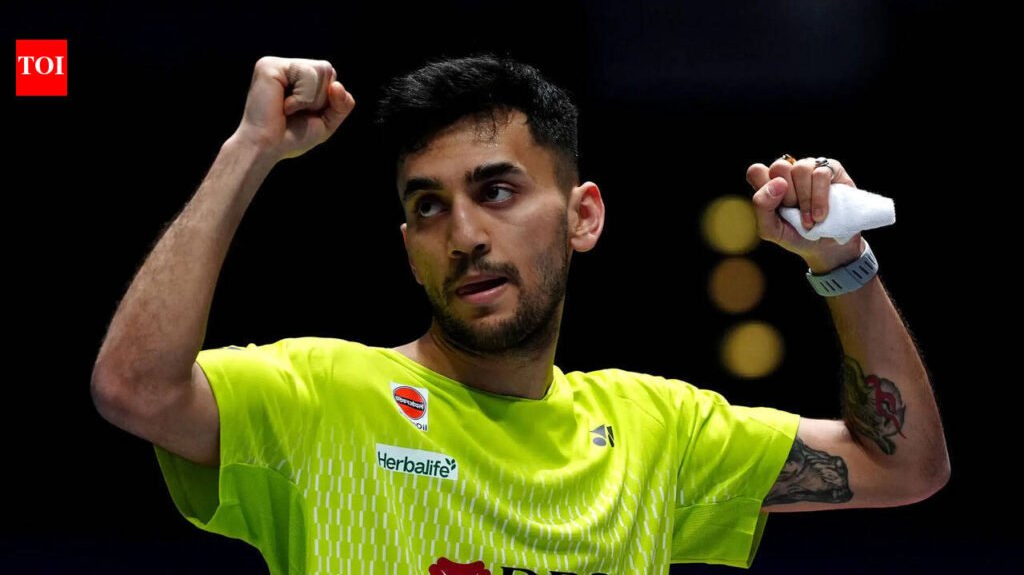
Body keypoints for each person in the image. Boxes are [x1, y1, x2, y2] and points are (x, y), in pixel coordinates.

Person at [91, 54, 949, 574]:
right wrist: (250, 150)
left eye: (497, 191)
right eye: (429, 207)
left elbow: (904, 467)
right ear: (409, 248)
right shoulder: (320, 398)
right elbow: (136, 388)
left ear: (583, 216)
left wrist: (840, 261)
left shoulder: (658, 432)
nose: (464, 235)